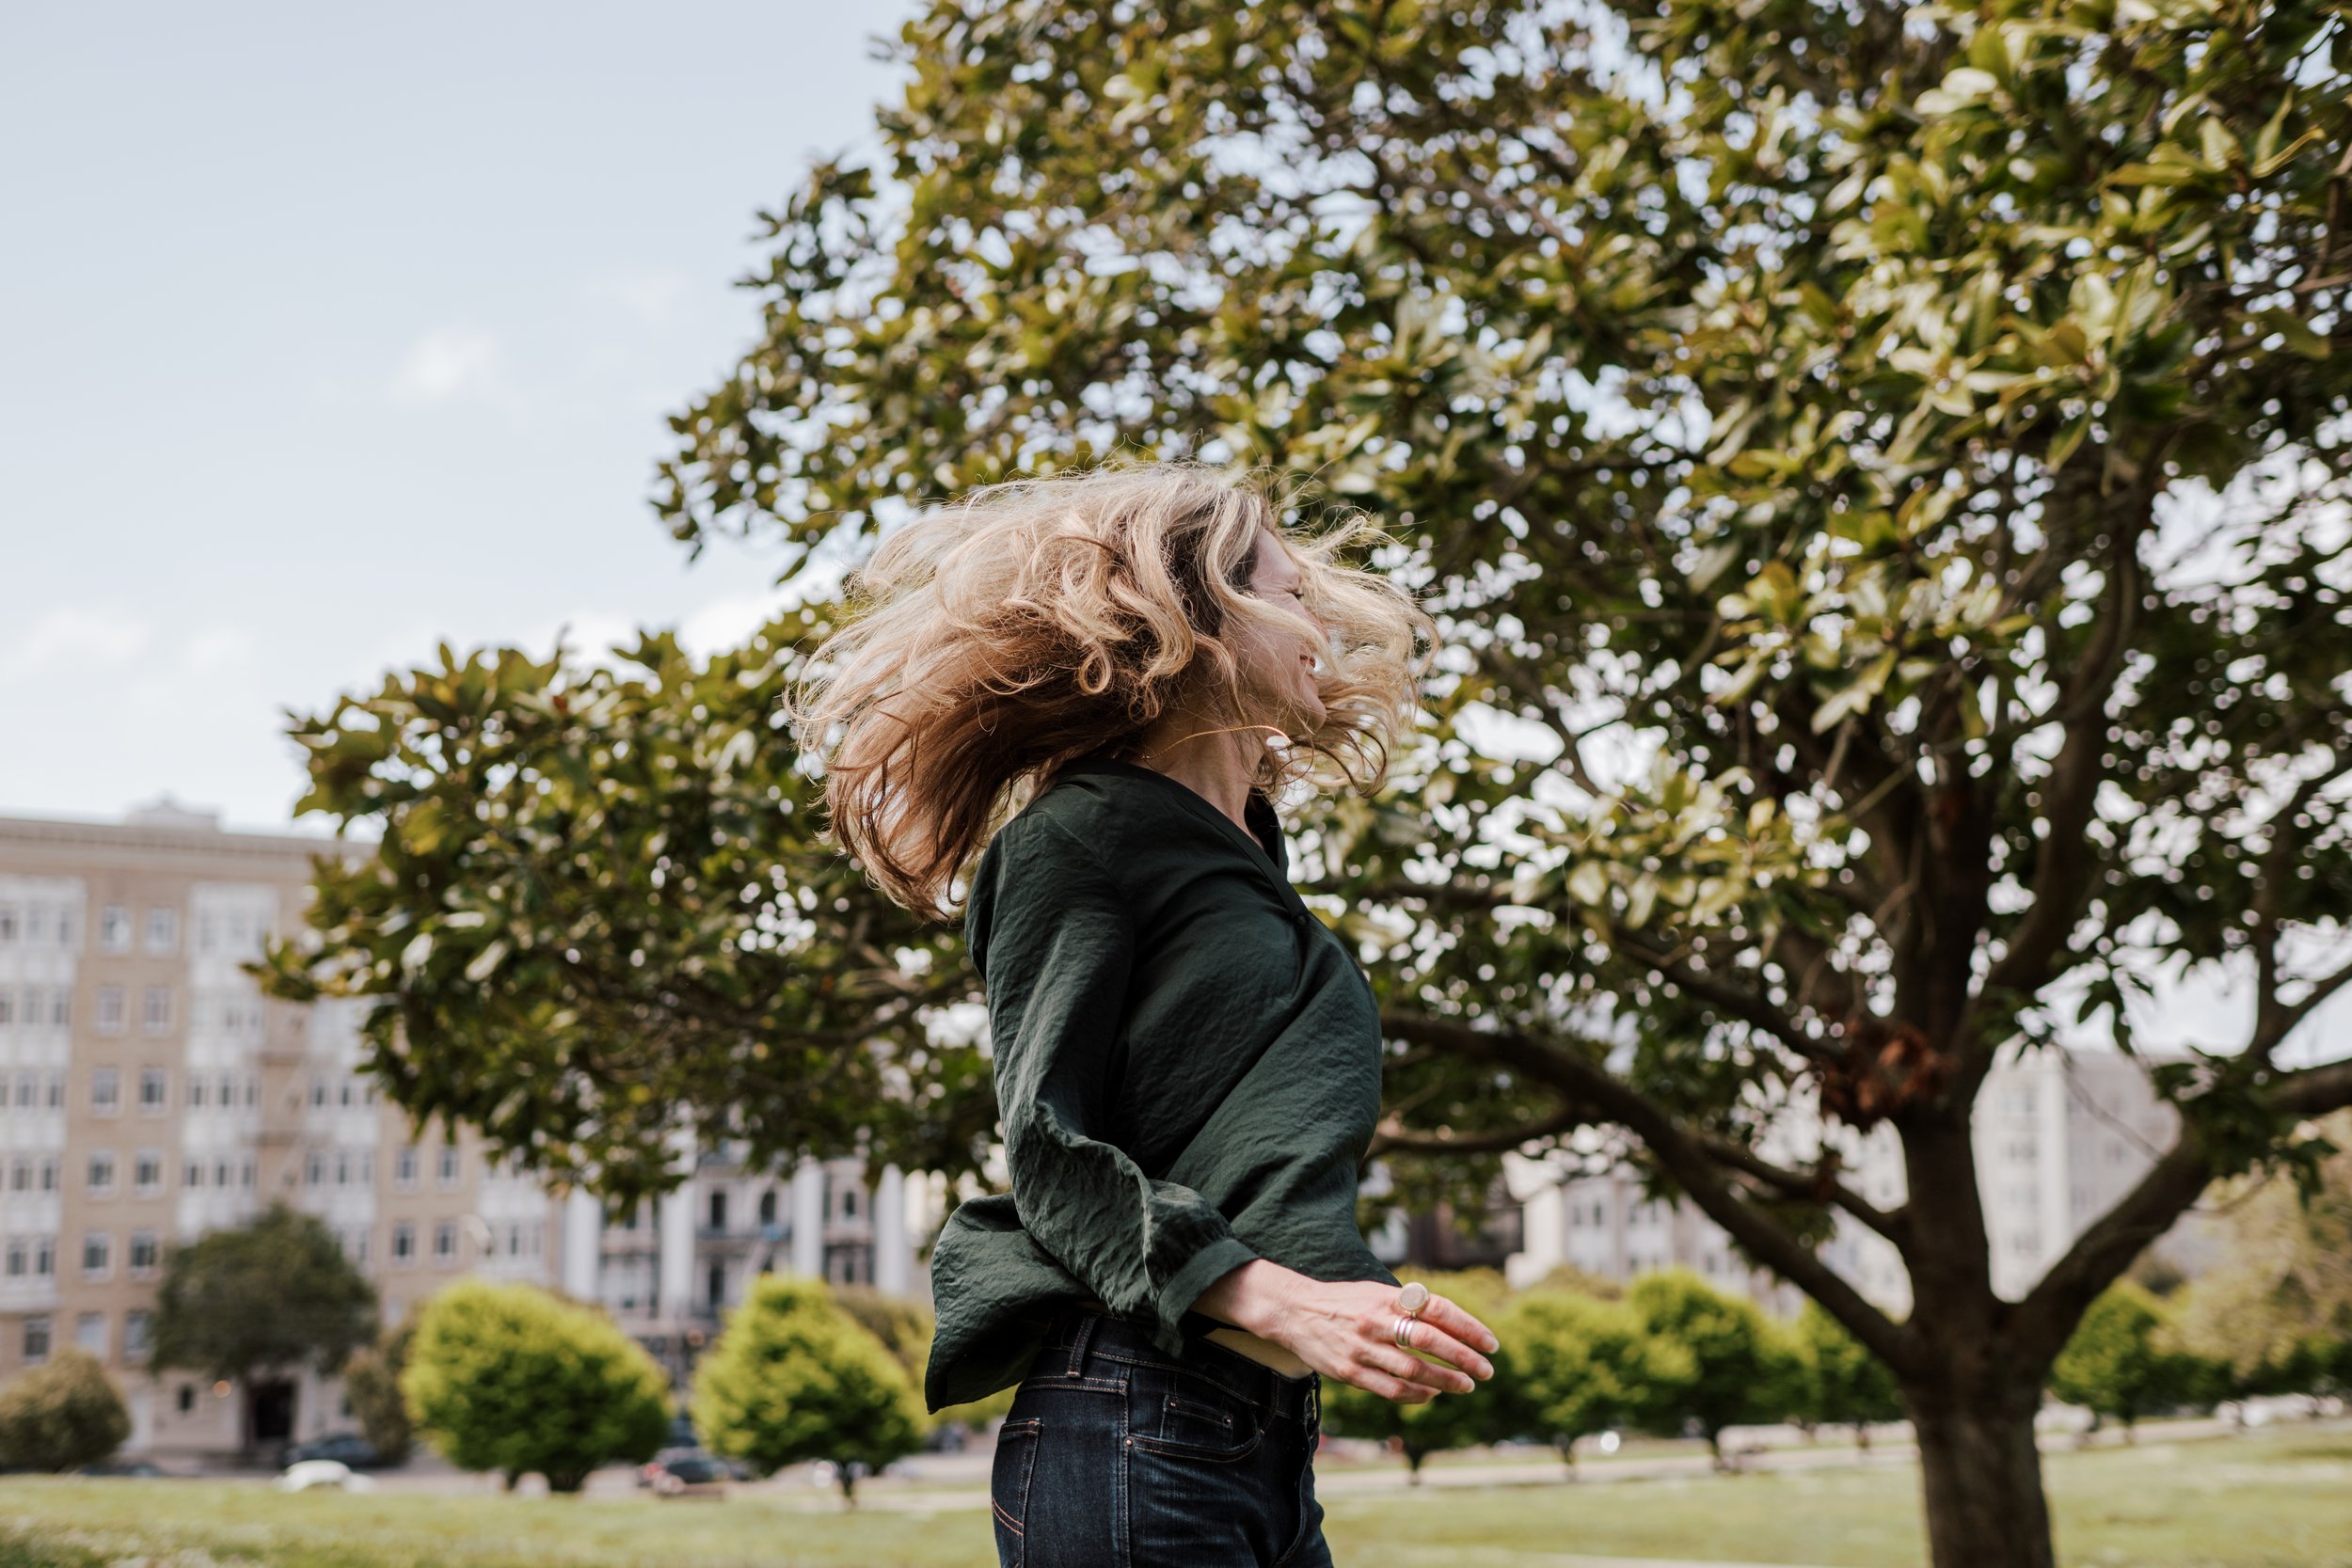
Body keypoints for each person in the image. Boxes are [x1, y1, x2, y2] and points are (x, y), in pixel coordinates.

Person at [787, 462, 1502, 1566]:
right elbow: (1052, 1157)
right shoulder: (1078, 839)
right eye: (1288, 589)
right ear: (1195, 617)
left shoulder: (1239, 847)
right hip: (1132, 1417)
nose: (1319, 618)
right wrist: (1289, 1302)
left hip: (1243, 1431)